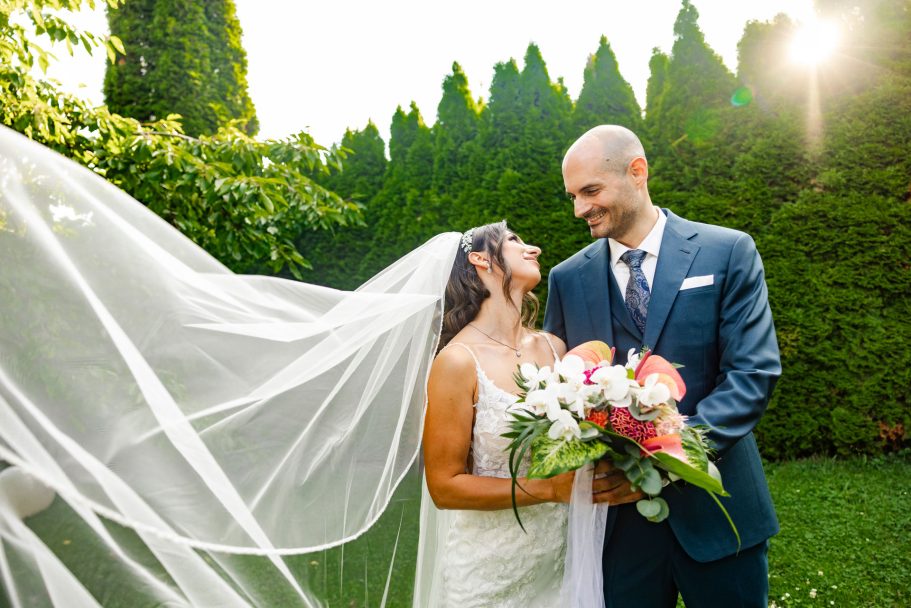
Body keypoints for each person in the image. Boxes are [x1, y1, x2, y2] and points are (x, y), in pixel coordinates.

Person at [544, 125, 781, 607]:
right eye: (572, 195)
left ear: (637, 172)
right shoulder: (566, 279)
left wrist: (669, 455)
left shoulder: (728, 251)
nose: (579, 209)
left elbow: (751, 375)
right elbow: (558, 391)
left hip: (720, 510)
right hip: (618, 531)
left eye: (590, 191)